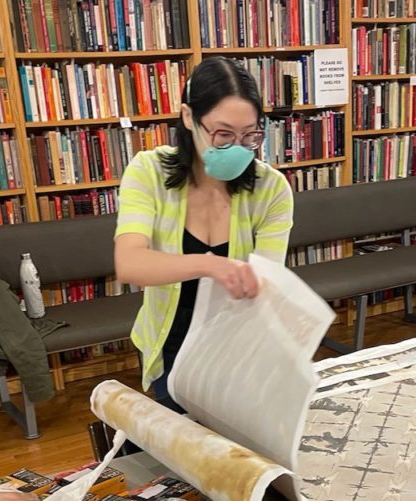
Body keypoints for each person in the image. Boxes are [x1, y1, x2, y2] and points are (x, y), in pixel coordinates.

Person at [114, 56, 294, 406]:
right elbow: (130, 263)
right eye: (223, 134)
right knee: (180, 438)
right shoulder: (148, 172)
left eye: (250, 135)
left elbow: (268, 279)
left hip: (237, 348)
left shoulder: (270, 188)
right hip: (170, 345)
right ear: (188, 118)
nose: (238, 147)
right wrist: (211, 264)